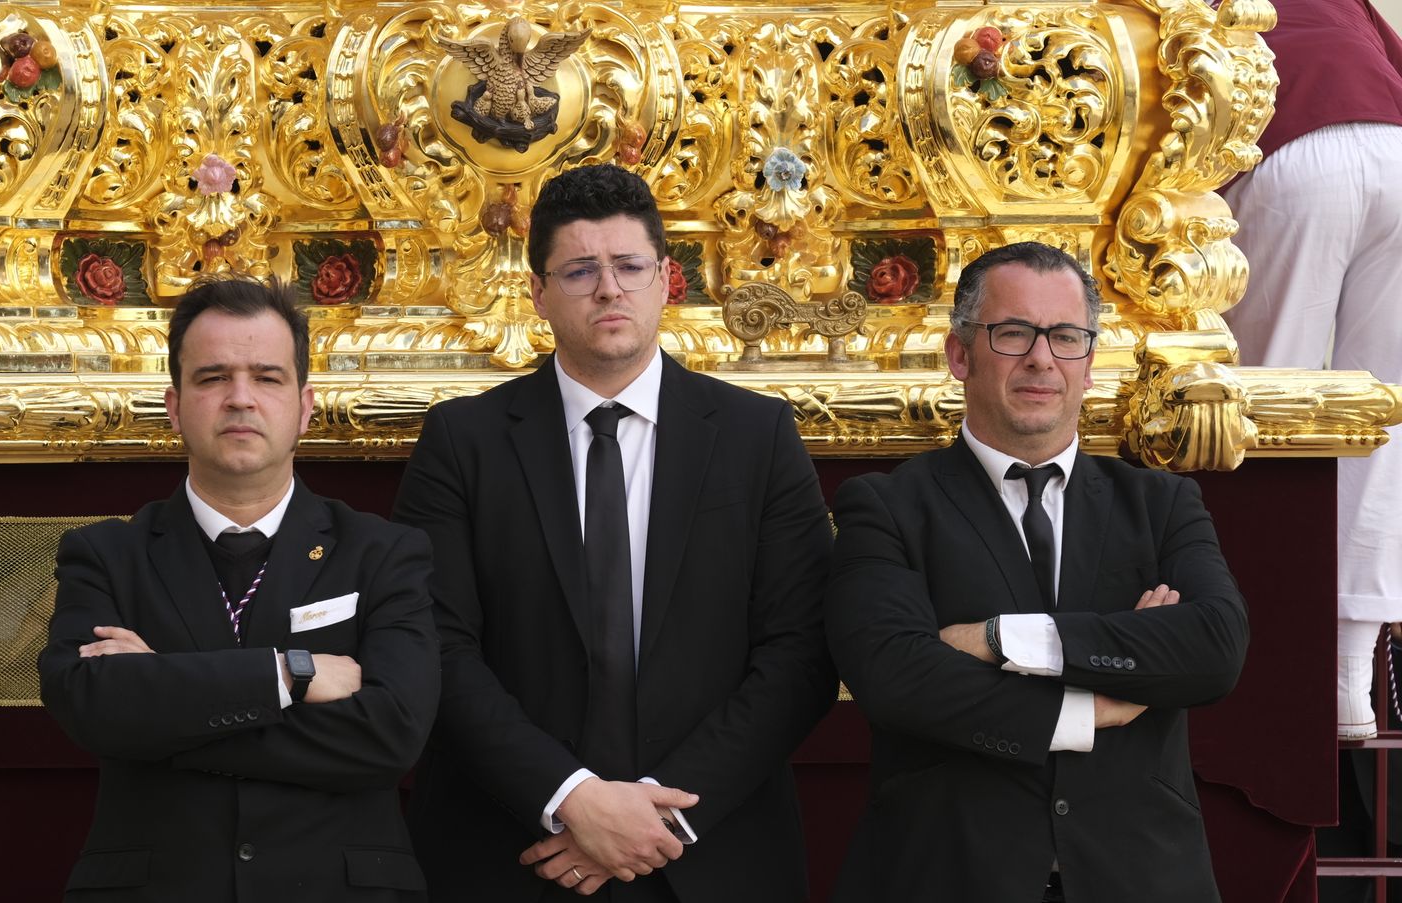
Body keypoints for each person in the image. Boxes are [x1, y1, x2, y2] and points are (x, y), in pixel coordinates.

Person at [393, 163, 836, 901]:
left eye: (630, 265)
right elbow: (435, 644)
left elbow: (803, 650)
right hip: (514, 848)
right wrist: (570, 796)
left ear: (666, 277)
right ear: (537, 292)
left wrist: (663, 815)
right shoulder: (462, 441)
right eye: (580, 270)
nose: (609, 288)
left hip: (712, 850)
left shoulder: (758, 437)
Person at [825, 242, 1250, 903]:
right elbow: (895, 675)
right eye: (1014, 331)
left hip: (1141, 877)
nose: (1042, 357)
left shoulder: (1162, 503)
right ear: (960, 354)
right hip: (948, 875)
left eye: (1066, 337)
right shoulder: (886, 506)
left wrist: (1002, 640)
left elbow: (1213, 648)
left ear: (1088, 363)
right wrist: (1089, 707)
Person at [37, 278, 439, 902]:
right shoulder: (105, 554)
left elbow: (390, 736)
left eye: (268, 377)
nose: (240, 399)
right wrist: (286, 676)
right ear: (174, 406)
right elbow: (93, 705)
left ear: (305, 406)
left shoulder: (383, 554)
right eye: (213, 377)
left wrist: (165, 704)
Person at [1220, 0, 1402, 740]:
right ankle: (1347, 682)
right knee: (1381, 418)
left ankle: (1257, 655)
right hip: (1396, 153)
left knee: (1259, 400)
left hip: (1293, 152)